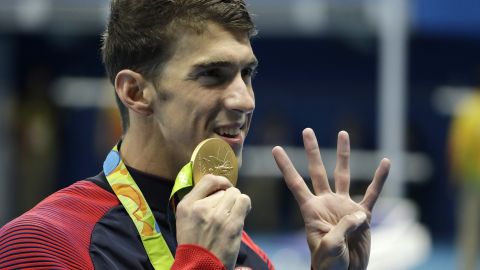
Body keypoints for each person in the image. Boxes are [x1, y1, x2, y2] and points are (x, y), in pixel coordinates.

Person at [0, 0, 391, 269]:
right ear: (136, 92)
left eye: (247, 74)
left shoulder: (248, 255)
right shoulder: (39, 245)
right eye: (212, 75)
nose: (244, 99)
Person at [448, 88, 480, 270]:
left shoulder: (467, 110)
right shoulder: (468, 110)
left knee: (469, 233)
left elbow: (454, 147)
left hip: (470, 182)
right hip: (472, 181)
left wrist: (455, 174)